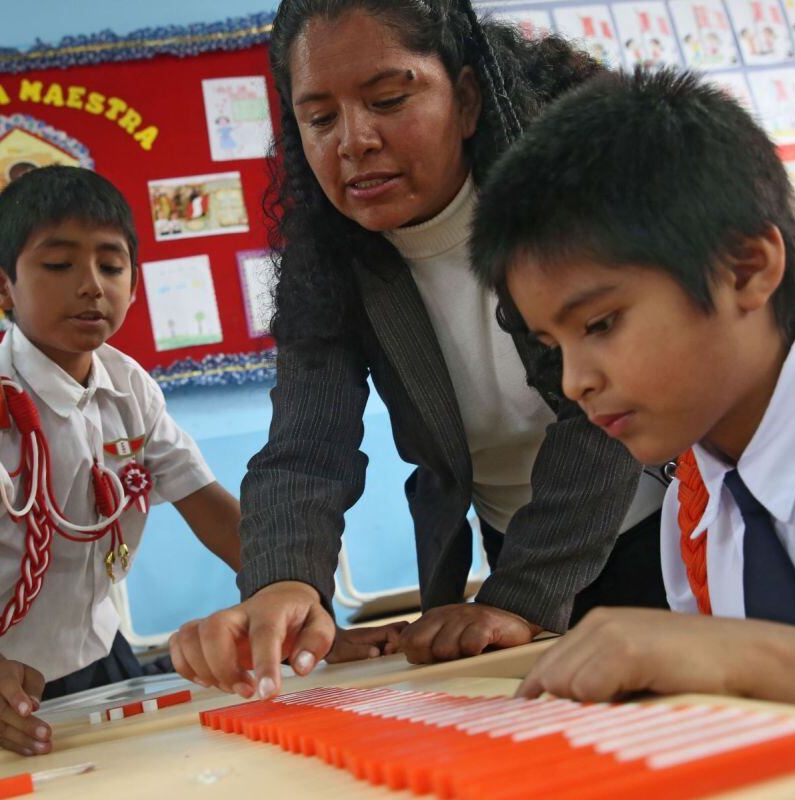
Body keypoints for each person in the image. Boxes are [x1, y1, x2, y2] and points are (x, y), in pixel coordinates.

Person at [171, 0, 670, 701]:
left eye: (388, 100)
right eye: (320, 118)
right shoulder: (337, 260)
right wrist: (285, 583)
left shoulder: (569, 209)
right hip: (515, 545)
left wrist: (520, 597)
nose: (354, 141)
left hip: (661, 530)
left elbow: (602, 412)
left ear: (465, 100)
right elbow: (306, 448)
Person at [471, 67, 795, 718]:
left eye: (601, 324)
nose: (573, 381)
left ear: (746, 269)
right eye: (553, 347)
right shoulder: (696, 504)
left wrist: (746, 660)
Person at [0, 166, 242, 754]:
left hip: (94, 650)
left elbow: (210, 508)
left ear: (134, 282)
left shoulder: (130, 387)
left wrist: (295, 596)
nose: (91, 286)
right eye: (58, 265)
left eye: (112, 266)